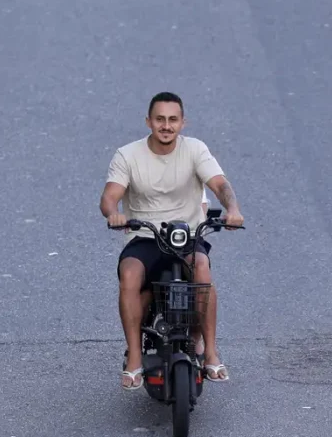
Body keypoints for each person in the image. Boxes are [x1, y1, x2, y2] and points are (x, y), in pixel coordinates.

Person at [100, 92, 244, 389]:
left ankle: (212, 352)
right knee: (129, 274)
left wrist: (233, 209)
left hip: (186, 234)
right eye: (160, 119)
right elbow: (110, 195)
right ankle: (135, 358)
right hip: (145, 235)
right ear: (149, 121)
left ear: (182, 122)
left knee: (202, 267)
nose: (166, 125)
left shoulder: (195, 149)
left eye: (173, 119)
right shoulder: (128, 154)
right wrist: (113, 213)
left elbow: (219, 184)